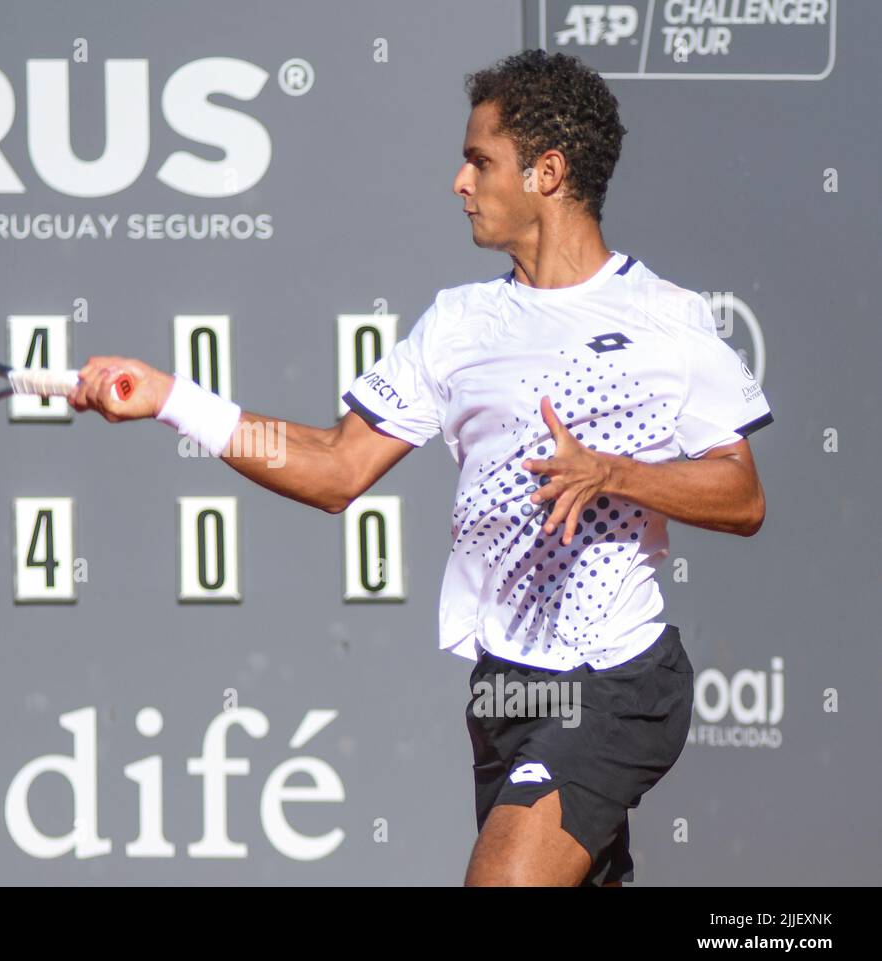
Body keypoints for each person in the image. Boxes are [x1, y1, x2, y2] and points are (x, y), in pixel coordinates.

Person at [68, 49, 771, 886]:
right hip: (506, 693)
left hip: (615, 680)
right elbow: (335, 468)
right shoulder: (457, 324)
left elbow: (742, 493)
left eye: (480, 160)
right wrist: (172, 398)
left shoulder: (665, 320)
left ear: (548, 172)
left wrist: (613, 473)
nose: (458, 182)